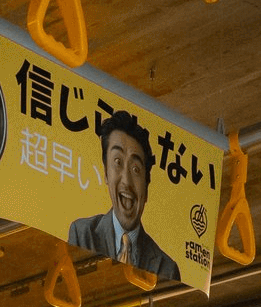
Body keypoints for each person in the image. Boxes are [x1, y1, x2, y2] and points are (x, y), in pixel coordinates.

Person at [66, 109, 180, 281]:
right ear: (106, 173)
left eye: (136, 169)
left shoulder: (166, 268)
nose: (126, 181)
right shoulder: (82, 233)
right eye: (117, 162)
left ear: (147, 187)